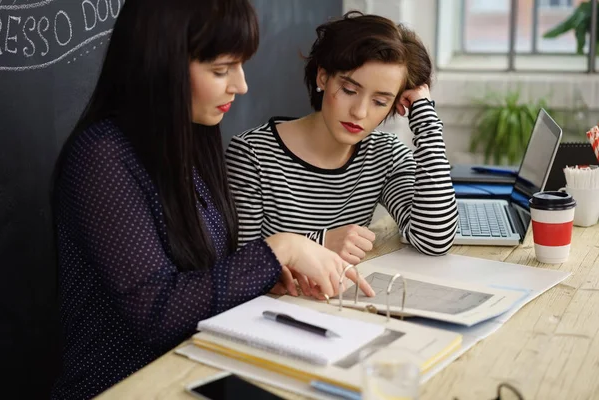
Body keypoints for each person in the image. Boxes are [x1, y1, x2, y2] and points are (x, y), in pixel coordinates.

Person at [51, 1, 372, 398]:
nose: (240, 85)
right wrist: (280, 249)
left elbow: (199, 272)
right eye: (221, 70)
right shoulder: (102, 156)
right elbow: (157, 311)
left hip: (197, 369)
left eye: (239, 66)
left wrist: (268, 277)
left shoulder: (191, 139)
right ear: (161, 65)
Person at [226, 12, 458, 267]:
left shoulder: (385, 155)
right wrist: (319, 243)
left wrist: (425, 118)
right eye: (349, 90)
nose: (359, 112)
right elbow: (240, 267)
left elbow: (434, 238)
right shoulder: (251, 154)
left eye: (380, 102)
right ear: (323, 77)